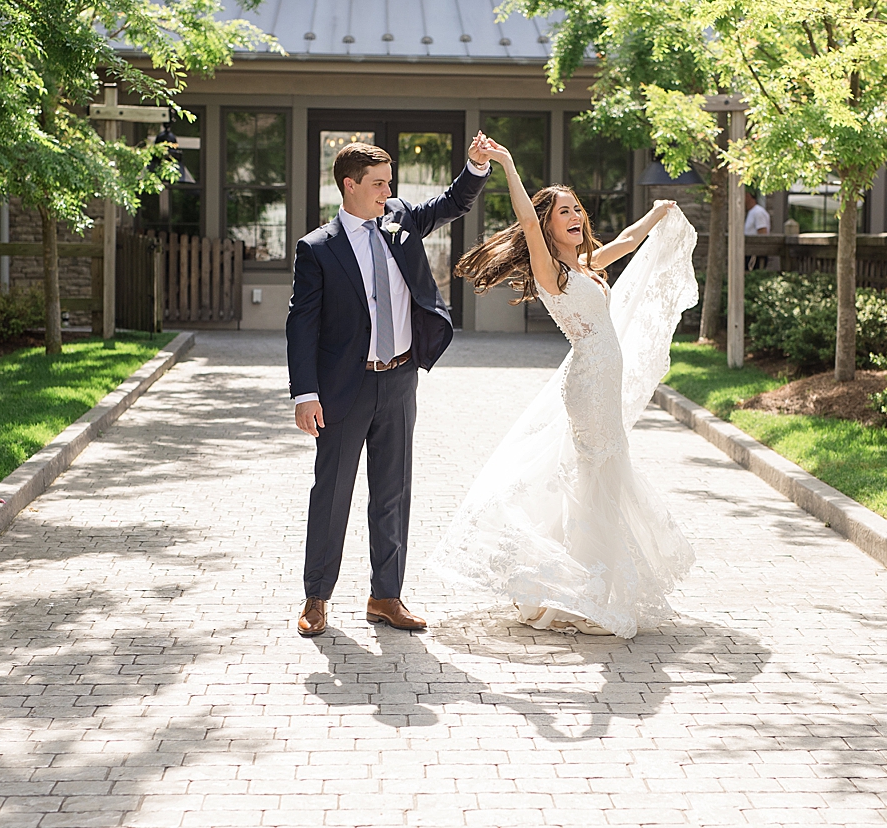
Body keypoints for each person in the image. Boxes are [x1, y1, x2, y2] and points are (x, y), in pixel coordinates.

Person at [430, 132, 698, 638]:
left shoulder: (584, 265)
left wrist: (658, 213)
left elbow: (623, 244)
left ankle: (586, 583)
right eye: (563, 213)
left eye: (577, 209)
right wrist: (508, 161)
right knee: (595, 479)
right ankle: (585, 591)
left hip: (604, 381)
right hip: (588, 384)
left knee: (599, 477)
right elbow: (526, 220)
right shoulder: (550, 270)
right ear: (549, 226)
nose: (574, 218)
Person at [285, 140, 490, 637]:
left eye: (390, 182)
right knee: (332, 492)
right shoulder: (318, 248)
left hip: (399, 380)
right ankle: (316, 598)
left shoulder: (398, 219)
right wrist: (304, 393)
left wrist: (476, 167)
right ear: (350, 185)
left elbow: (451, 203)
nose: (389, 191)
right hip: (342, 389)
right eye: (379, 183)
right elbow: (301, 325)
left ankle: (386, 596)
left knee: (393, 492)